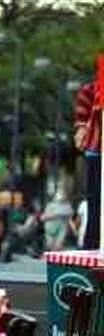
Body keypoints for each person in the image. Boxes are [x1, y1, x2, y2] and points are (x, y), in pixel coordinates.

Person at [74, 78, 101, 250]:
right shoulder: (90, 89)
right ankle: (92, 245)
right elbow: (81, 120)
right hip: (96, 151)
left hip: (95, 152)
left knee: (95, 201)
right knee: (95, 202)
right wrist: (81, 131)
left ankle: (92, 244)